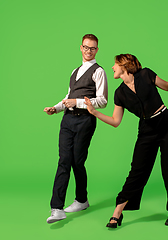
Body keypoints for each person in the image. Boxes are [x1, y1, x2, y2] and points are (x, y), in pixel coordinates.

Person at [84, 54, 168, 228]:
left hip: (166, 124)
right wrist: (95, 112)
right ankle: (117, 212)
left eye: (115, 64)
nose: (112, 67)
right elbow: (115, 121)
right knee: (137, 171)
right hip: (147, 130)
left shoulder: (146, 74)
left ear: (124, 66)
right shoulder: (119, 93)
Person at [44, 34, 108, 224]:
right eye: (86, 47)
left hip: (85, 121)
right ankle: (57, 208)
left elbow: (102, 101)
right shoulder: (75, 71)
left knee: (77, 162)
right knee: (64, 160)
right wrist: (56, 108)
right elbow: (68, 96)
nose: (89, 51)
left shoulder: (99, 71)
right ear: (81, 47)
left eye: (93, 48)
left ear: (97, 50)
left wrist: (78, 102)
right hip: (67, 121)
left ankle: (81, 200)